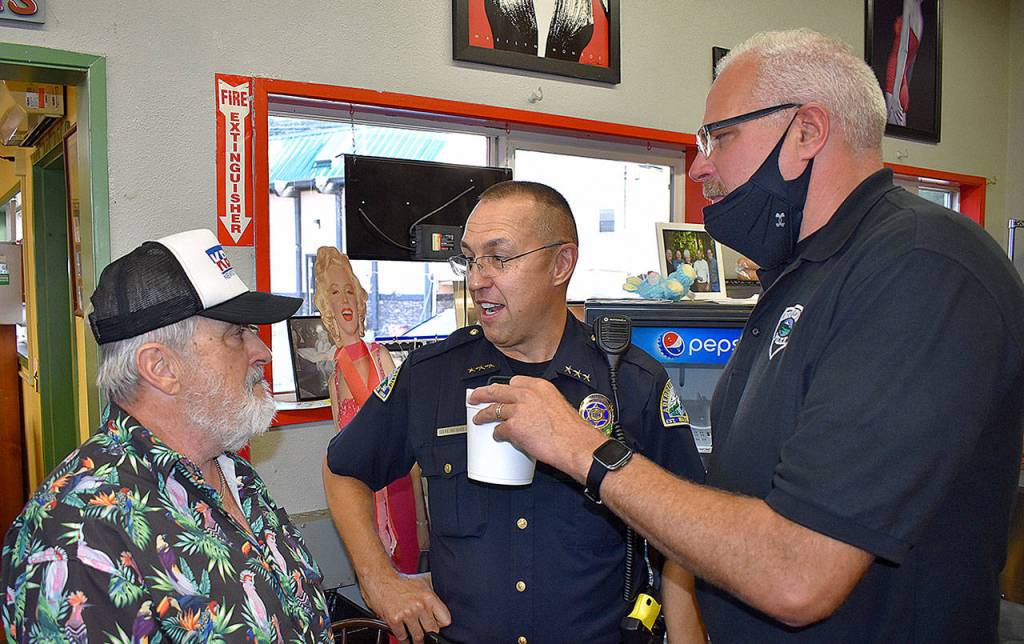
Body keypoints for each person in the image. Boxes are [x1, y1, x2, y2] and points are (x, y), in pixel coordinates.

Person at [470, 29, 1024, 642]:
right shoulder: (795, 278)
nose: (700, 163)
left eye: (719, 136)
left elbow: (797, 574)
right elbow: (730, 497)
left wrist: (584, 449)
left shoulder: (921, 267)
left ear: (807, 133)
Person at [323, 181, 706, 643]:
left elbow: (684, 537)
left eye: (499, 258)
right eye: (469, 258)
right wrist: (377, 579)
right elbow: (343, 470)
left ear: (561, 264)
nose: (478, 278)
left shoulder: (630, 383)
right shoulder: (431, 375)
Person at [0, 229, 333, 641]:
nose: (263, 352)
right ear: (160, 367)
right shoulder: (76, 535)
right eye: (236, 334)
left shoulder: (231, 471)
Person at [313, 246, 424, 577]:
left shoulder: (381, 358)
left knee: (408, 578)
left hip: (399, 490)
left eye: (349, 290)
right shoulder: (335, 375)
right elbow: (340, 458)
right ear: (326, 306)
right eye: (335, 292)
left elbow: (409, 440)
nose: (344, 300)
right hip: (363, 501)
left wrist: (421, 518)